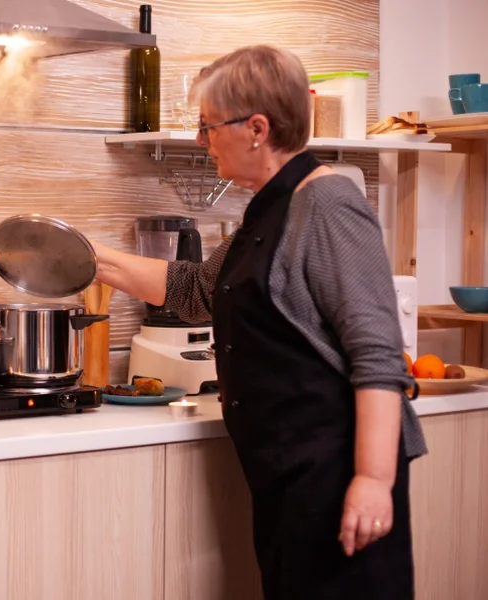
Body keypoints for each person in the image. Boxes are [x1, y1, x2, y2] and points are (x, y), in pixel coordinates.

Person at [93, 45, 426, 599]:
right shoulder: (271, 208)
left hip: (337, 472)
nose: (201, 140)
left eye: (207, 126)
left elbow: (377, 355)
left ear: (256, 128)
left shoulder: (328, 205)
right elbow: (195, 289)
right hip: (288, 473)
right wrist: (84, 256)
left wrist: (372, 480)